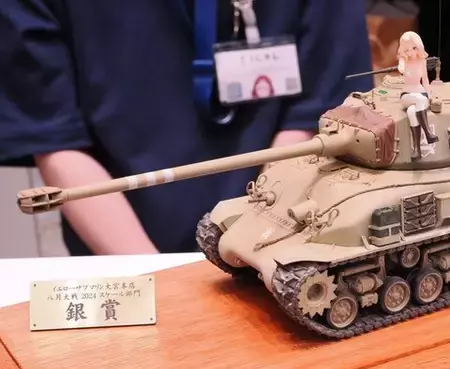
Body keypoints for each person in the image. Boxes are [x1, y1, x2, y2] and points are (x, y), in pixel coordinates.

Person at [0, 0, 373, 256]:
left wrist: (254, 243)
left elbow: (317, 117)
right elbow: (56, 135)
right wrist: (154, 276)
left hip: (277, 234)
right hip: (121, 252)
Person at [396, 31, 438, 160]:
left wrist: (430, 95)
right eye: (407, 49)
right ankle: (428, 133)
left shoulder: (422, 61)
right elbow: (401, 69)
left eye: (414, 48)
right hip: (407, 95)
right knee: (418, 100)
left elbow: (425, 81)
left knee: (411, 111)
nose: (411, 52)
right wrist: (402, 60)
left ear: (419, 46)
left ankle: (417, 150)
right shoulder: (404, 61)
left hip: (421, 92)